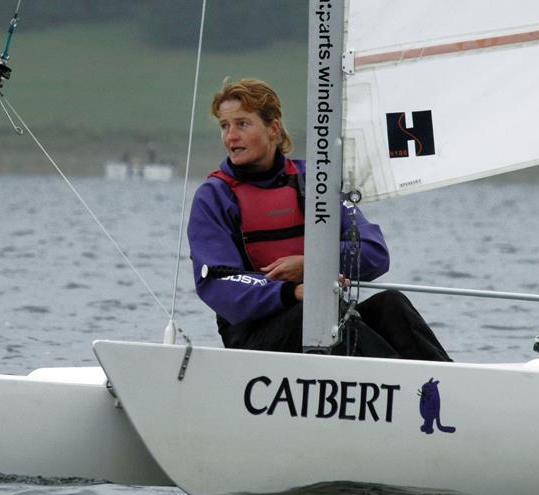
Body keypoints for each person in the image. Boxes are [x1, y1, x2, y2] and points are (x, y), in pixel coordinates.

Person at [187, 78, 451, 361]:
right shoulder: (214, 197)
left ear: (273, 128)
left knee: (391, 304)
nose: (231, 137)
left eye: (242, 124)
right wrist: (293, 292)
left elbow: (375, 254)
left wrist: (312, 265)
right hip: (255, 339)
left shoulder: (316, 181)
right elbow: (217, 282)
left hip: (327, 319)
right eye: (224, 126)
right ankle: (417, 391)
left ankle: (448, 384)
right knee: (319, 311)